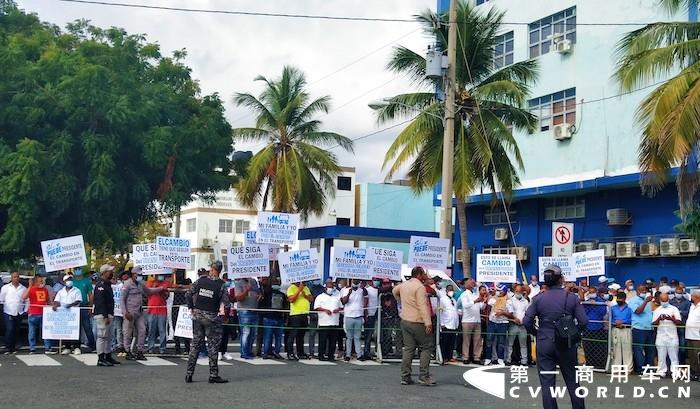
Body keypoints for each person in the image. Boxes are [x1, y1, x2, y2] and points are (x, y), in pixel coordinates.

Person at [523, 265, 588, 409]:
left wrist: (536, 333)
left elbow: (526, 321)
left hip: (544, 340)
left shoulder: (538, 298)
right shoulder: (572, 298)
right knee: (572, 381)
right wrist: (573, 334)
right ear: (561, 279)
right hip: (566, 341)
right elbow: (584, 321)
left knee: (547, 383)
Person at [185, 260, 230, 384]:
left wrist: (191, 308)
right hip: (212, 318)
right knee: (213, 347)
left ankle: (189, 374)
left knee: (195, 346)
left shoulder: (201, 280)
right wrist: (226, 317)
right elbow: (227, 304)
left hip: (198, 316)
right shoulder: (221, 284)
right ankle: (213, 374)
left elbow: (188, 294)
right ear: (220, 271)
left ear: (211, 268)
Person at [392, 266, 434, 386]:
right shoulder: (420, 287)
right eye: (424, 274)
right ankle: (424, 375)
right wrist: (428, 322)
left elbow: (394, 290)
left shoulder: (404, 284)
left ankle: (405, 376)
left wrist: (400, 300)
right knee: (426, 347)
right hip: (418, 321)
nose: (426, 276)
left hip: (405, 319)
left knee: (409, 348)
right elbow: (422, 305)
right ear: (419, 275)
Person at [93, 264, 119, 367]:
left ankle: (108, 355)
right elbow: (100, 302)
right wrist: (105, 315)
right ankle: (101, 357)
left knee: (108, 336)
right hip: (102, 314)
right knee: (102, 336)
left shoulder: (107, 284)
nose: (111, 273)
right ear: (104, 273)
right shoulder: (101, 285)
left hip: (108, 313)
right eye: (109, 271)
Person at [627, 284, 656, 374]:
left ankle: (648, 367)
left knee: (650, 350)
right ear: (637, 291)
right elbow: (638, 311)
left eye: (645, 291)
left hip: (649, 328)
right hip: (638, 328)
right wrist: (645, 302)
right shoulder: (633, 300)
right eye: (641, 290)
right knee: (638, 349)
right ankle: (640, 368)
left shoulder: (648, 302)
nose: (643, 292)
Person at [652, 292, 682, 376]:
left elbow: (679, 322)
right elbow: (654, 323)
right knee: (661, 356)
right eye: (662, 300)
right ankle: (661, 371)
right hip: (661, 335)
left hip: (672, 336)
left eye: (666, 300)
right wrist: (659, 319)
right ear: (660, 300)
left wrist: (671, 318)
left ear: (668, 299)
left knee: (674, 356)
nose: (664, 302)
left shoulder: (674, 309)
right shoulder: (657, 310)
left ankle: (675, 372)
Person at [121, 268, 147, 361]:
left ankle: (140, 351)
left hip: (139, 311)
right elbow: (122, 299)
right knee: (128, 332)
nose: (139, 276)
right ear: (133, 274)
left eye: (140, 274)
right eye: (138, 274)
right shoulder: (127, 284)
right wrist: (125, 312)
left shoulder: (140, 284)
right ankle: (127, 351)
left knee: (142, 330)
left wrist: (161, 289)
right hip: (130, 312)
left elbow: (148, 291)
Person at [52, 275, 83, 355]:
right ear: (64, 282)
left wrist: (70, 305)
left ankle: (77, 347)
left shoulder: (77, 290)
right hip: (64, 314)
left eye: (70, 279)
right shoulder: (61, 291)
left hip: (74, 314)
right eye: (68, 280)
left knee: (75, 330)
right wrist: (55, 305)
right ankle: (67, 347)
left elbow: (78, 301)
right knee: (66, 330)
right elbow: (56, 300)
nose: (69, 281)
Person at [22, 276, 53, 354]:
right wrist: (30, 286)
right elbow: (24, 297)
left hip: (44, 313)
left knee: (46, 331)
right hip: (33, 314)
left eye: (42, 281)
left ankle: (47, 347)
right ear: (35, 282)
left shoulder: (45, 289)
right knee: (32, 332)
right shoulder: (31, 289)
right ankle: (32, 348)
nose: (42, 283)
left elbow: (48, 301)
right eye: (40, 281)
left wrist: (52, 306)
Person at [314, 279, 343, 361]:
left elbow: (341, 307)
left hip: (334, 322)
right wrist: (325, 310)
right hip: (324, 323)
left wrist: (338, 310)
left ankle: (331, 355)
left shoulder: (336, 297)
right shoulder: (320, 297)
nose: (331, 288)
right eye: (329, 286)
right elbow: (316, 307)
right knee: (322, 341)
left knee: (333, 341)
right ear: (325, 287)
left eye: (332, 286)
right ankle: (321, 355)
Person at [340, 279, 368, 361]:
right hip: (349, 316)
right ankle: (348, 354)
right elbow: (344, 302)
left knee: (357, 337)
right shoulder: (346, 290)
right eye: (354, 281)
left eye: (357, 282)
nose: (355, 283)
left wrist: (365, 315)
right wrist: (349, 293)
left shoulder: (362, 290)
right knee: (349, 337)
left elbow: (366, 298)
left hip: (358, 316)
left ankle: (359, 355)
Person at [457, 280, 485, 364]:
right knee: (466, 340)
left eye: (473, 283)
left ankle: (476, 357)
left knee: (477, 340)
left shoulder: (475, 294)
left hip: (477, 320)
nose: (473, 284)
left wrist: (483, 301)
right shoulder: (464, 294)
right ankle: (465, 357)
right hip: (467, 320)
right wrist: (475, 301)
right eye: (471, 283)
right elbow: (465, 305)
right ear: (466, 285)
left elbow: (481, 307)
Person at [0, 272, 27, 354]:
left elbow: (27, 300)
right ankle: (8, 347)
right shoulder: (6, 288)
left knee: (16, 330)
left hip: (19, 312)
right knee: (10, 329)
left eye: (17, 277)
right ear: (11, 278)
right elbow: (1, 299)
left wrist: (25, 310)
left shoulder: (23, 288)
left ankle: (13, 347)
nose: (16, 278)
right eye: (14, 277)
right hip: (8, 311)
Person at [235, 277, 261, 359]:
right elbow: (238, 298)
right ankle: (244, 353)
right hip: (244, 311)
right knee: (246, 333)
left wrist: (259, 295)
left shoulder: (254, 281)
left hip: (254, 310)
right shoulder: (239, 283)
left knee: (252, 334)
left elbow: (258, 292)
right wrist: (246, 290)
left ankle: (249, 351)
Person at [286, 280, 313, 360]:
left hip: (305, 314)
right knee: (293, 334)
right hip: (295, 314)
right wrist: (299, 290)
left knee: (301, 335)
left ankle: (300, 353)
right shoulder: (291, 288)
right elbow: (291, 300)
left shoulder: (306, 288)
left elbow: (311, 299)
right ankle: (290, 353)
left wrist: (305, 295)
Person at [260, 277, 285, 360]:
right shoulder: (282, 294)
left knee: (268, 336)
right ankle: (276, 352)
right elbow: (285, 306)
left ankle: (266, 353)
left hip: (268, 317)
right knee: (278, 338)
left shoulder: (267, 293)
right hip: (278, 318)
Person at [582, 289, 608, 368]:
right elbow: (583, 312)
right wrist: (589, 304)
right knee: (588, 347)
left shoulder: (601, 301)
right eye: (590, 292)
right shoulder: (586, 302)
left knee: (599, 348)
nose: (591, 293)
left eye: (593, 292)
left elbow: (602, 313)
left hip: (598, 328)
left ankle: (599, 365)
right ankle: (589, 364)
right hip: (588, 328)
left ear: (596, 292)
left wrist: (595, 304)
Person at [71, 267, 96, 352]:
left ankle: (92, 345)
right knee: (75, 327)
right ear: (73, 271)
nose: (78, 270)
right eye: (76, 269)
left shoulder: (87, 281)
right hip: (73, 307)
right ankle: (76, 345)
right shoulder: (71, 282)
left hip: (84, 305)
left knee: (87, 326)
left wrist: (90, 306)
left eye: (79, 269)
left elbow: (90, 294)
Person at [146, 273, 171, 354]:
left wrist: (162, 291)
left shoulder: (165, 283)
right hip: (152, 309)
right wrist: (155, 287)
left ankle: (162, 348)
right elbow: (147, 292)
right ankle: (150, 348)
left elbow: (167, 295)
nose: (160, 276)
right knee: (151, 330)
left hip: (162, 310)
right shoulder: (149, 282)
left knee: (162, 330)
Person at [505, 284, 530, 366]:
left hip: (523, 326)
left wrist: (523, 321)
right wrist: (515, 319)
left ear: (522, 292)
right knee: (510, 344)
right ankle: (508, 360)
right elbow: (510, 312)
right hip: (513, 324)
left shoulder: (526, 301)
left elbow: (527, 313)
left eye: (520, 291)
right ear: (514, 291)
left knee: (523, 345)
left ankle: (524, 361)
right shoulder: (510, 301)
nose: (518, 292)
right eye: (516, 291)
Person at [485, 285, 509, 365]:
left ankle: (500, 358)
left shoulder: (509, 300)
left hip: (503, 323)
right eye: (498, 290)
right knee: (489, 340)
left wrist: (503, 313)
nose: (499, 291)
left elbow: (510, 312)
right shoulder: (493, 298)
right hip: (492, 322)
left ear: (505, 291)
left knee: (501, 342)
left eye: (501, 290)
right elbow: (488, 306)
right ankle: (488, 358)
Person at [610, 291, 633, 372]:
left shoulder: (630, 309)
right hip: (616, 329)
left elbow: (631, 319)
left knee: (627, 349)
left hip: (626, 329)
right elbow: (610, 319)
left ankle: (628, 369)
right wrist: (615, 322)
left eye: (620, 298)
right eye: (618, 298)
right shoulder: (613, 308)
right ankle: (616, 369)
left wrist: (622, 322)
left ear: (624, 299)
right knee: (616, 349)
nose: (619, 300)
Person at [438, 284, 459, 363]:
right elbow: (440, 312)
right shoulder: (442, 299)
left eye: (452, 290)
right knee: (444, 342)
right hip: (446, 323)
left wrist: (457, 323)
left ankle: (450, 356)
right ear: (446, 290)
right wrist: (441, 323)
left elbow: (455, 311)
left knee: (451, 341)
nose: (451, 291)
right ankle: (444, 356)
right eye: (450, 290)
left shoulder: (454, 300)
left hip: (453, 324)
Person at [670, 286, 691, 363]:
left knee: (682, 346)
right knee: (673, 346)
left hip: (682, 326)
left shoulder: (687, 302)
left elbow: (688, 312)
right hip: (672, 326)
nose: (678, 294)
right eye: (677, 293)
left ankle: (682, 362)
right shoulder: (671, 302)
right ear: (675, 293)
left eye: (680, 293)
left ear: (682, 293)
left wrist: (679, 312)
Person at [362, 278, 380, 360]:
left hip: (378, 314)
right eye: (375, 280)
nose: (377, 281)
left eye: (378, 280)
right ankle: (366, 351)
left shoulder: (380, 290)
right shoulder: (368, 290)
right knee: (368, 335)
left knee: (377, 334)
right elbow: (365, 302)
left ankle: (377, 351)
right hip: (370, 314)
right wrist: (366, 314)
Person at [686, 289, 700, 382]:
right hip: (689, 335)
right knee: (691, 355)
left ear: (697, 297)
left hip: (697, 336)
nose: (691, 298)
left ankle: (698, 373)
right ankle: (694, 373)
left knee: (697, 355)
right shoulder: (691, 306)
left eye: (692, 296)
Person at [111, 271, 126, 356]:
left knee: (124, 330)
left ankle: (123, 344)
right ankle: (119, 345)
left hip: (124, 311)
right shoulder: (113, 286)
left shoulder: (123, 286)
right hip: (116, 311)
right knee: (118, 329)